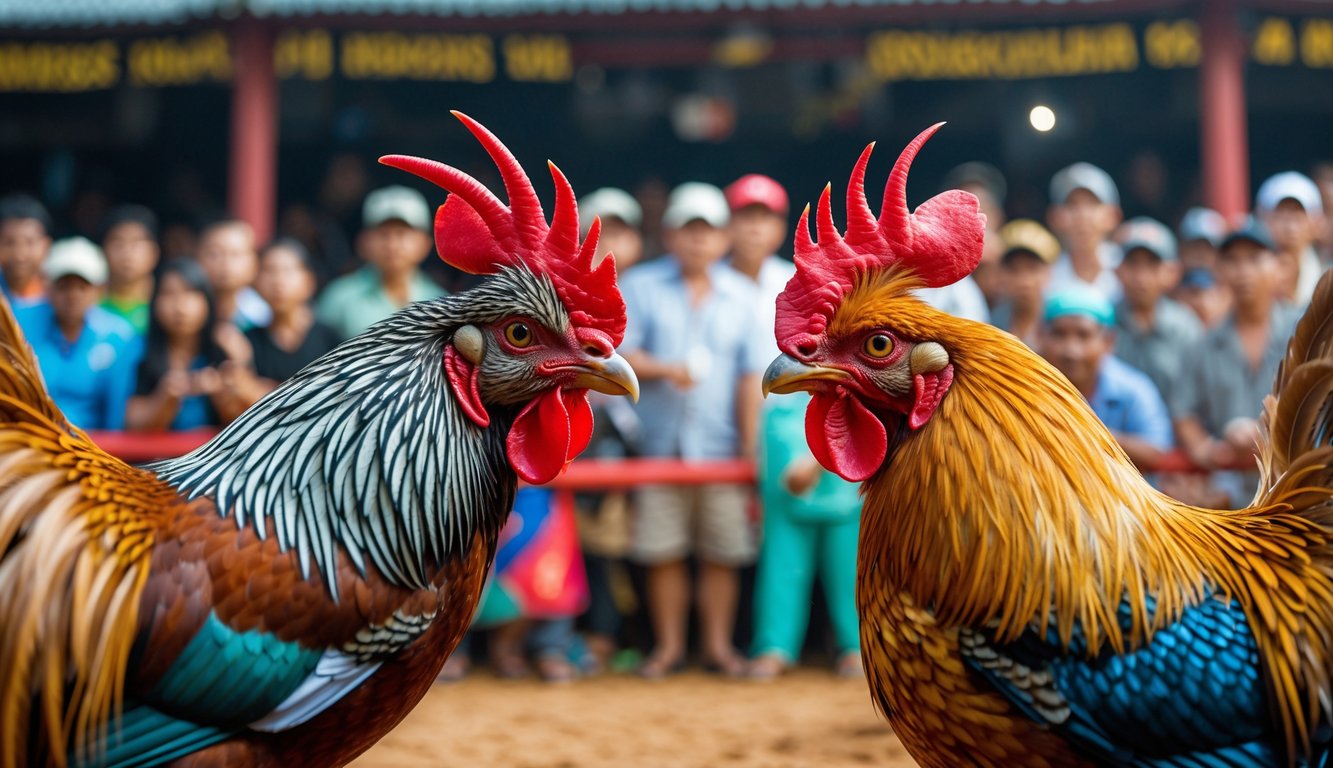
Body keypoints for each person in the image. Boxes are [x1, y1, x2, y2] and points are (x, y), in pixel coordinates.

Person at [618, 182, 768, 679]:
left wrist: (749, 452)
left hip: (720, 445)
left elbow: (752, 379)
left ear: (723, 238)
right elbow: (618, 357)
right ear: (670, 235)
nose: (698, 241)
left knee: (722, 553)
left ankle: (718, 648)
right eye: (688, 230)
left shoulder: (745, 296)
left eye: (706, 231)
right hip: (658, 444)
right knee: (662, 553)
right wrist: (666, 369)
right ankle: (668, 648)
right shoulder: (639, 286)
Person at [1170, 218, 1301, 507]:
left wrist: (1270, 430)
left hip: (1300, 493)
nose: (1244, 272)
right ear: (1220, 270)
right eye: (1233, 261)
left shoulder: (1305, 333)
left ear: (1279, 266)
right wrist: (1204, 448)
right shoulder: (1202, 345)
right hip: (1233, 504)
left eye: (1255, 259)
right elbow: (1183, 412)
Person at [747, 391, 862, 681]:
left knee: (851, 578)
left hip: (845, 502)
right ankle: (774, 648)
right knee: (781, 573)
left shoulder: (856, 402)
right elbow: (787, 475)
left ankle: (858, 648)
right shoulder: (778, 410)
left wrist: (816, 462)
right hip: (788, 504)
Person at [1039, 286, 1173, 469]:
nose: (1071, 349)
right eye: (1059, 334)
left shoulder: (1133, 388)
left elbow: (1156, 450)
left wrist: (1082, 432)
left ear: (1108, 341)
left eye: (1083, 335)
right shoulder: (1031, 387)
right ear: (1041, 337)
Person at [14, 237, 138, 430]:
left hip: (92, 450)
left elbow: (116, 413)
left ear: (99, 290)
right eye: (64, 286)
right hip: (29, 443)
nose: (73, 295)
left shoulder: (119, 336)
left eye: (82, 286)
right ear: (48, 288)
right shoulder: (19, 323)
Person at [126, 260, 255, 431]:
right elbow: (131, 423)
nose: (180, 306)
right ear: (154, 302)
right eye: (169, 293)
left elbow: (251, 420)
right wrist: (165, 398)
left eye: (191, 293)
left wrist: (237, 370)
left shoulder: (225, 348)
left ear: (207, 301)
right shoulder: (139, 351)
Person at [316, 185, 445, 340]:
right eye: (383, 234)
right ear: (364, 242)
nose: (392, 245)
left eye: (401, 234)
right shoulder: (338, 300)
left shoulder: (440, 303)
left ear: (425, 244)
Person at [1112, 217, 1203, 400]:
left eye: (1152, 264)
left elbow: (1194, 397)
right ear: (1119, 270)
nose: (1141, 276)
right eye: (1133, 263)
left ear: (1172, 273)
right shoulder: (1104, 321)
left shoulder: (1185, 326)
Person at [244, 238, 340, 393]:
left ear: (308, 281)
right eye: (269, 271)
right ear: (256, 282)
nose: (278, 281)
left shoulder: (330, 339)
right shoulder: (248, 343)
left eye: (287, 271)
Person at [722, 173, 794, 354]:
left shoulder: (797, 279)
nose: (755, 229)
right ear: (727, 224)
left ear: (781, 228)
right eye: (747, 217)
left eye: (764, 218)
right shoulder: (706, 279)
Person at [1046, 162, 1123, 301]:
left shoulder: (1127, 269)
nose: (1082, 215)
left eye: (1093, 204)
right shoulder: (1044, 279)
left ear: (1113, 215)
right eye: (1071, 204)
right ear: (1054, 217)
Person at [943, 161, 1009, 309]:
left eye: (981, 210)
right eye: (962, 212)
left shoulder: (1015, 261)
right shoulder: (933, 269)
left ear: (998, 217)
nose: (971, 221)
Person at [1256, 171, 1325, 308]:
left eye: (1298, 217)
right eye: (1280, 216)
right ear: (1261, 219)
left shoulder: (1328, 279)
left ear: (1317, 222)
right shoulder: (1246, 282)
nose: (1290, 226)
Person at [988, 219, 1060, 348]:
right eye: (1013, 270)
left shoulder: (1062, 323)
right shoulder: (991, 323)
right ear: (1000, 273)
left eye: (1033, 269)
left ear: (1048, 272)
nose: (1024, 281)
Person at [196, 218, 270, 330]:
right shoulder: (188, 313)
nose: (225, 262)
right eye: (214, 254)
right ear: (198, 258)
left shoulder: (264, 318)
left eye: (235, 254)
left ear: (254, 263)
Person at [99, 204, 160, 335]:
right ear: (103, 251)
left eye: (137, 243)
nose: (127, 253)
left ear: (154, 252)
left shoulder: (166, 304)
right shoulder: (89, 304)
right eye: (118, 243)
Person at [0, 193, 53, 309]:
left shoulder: (58, 296)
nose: (20, 255)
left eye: (30, 242)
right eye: (9, 243)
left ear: (46, 245)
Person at [580, 187, 644, 271]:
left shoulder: (651, 281)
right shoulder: (566, 281)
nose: (603, 244)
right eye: (592, 236)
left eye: (613, 233)